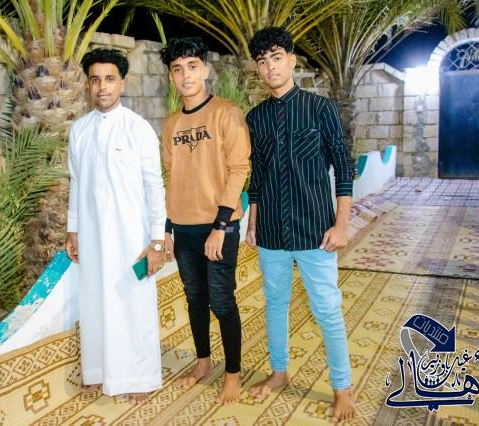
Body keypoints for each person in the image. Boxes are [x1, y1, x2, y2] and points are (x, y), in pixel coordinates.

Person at [244, 27, 356, 423]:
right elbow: (257, 175)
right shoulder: (255, 118)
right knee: (275, 304)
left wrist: (341, 224)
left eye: (277, 58)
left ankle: (342, 388)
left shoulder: (320, 108)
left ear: (291, 60)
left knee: (327, 309)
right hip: (271, 231)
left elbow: (343, 167)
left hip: (316, 231)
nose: (270, 67)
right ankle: (279, 372)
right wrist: (253, 221)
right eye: (262, 61)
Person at [65, 48, 166, 405]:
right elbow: (77, 182)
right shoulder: (79, 130)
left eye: (109, 79)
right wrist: (73, 229)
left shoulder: (138, 128)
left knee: (133, 305)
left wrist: (157, 241)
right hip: (93, 237)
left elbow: (154, 185)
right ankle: (97, 371)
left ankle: (140, 376)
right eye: (95, 80)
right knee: (94, 302)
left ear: (122, 83)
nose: (102, 87)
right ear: (88, 85)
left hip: (130, 238)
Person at [160, 37, 251, 405]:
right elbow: (170, 177)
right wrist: (167, 229)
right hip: (183, 227)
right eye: (178, 69)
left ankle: (233, 374)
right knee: (195, 298)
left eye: (192, 66)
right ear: (171, 76)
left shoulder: (227, 113)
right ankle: (203, 362)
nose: (186, 75)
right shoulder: (170, 124)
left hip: (219, 226)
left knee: (221, 300)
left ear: (206, 70)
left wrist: (220, 226)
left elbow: (239, 168)